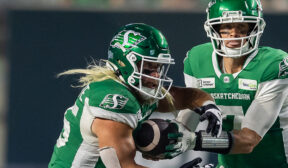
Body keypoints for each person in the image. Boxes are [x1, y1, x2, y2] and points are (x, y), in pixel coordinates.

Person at [48, 23, 222, 168]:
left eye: (158, 68)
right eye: (148, 68)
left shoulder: (135, 89)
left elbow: (188, 96)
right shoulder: (114, 99)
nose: (155, 76)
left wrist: (209, 105)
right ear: (124, 62)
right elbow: (121, 166)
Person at [171, 0, 288, 167]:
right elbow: (186, 124)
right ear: (213, 28)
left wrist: (194, 141)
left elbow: (248, 141)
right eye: (226, 26)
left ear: (255, 27)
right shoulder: (197, 60)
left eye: (242, 27)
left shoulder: (273, 65)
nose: (233, 34)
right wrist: (161, 140)